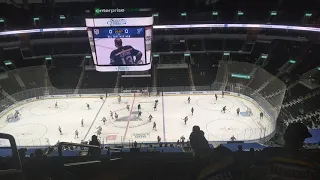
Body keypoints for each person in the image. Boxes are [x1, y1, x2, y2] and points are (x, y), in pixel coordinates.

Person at [249, 122, 319, 180]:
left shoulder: (268, 154)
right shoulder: (310, 162)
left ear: (284, 136)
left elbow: (253, 174)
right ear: (302, 141)